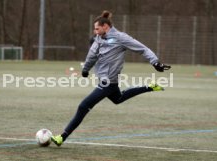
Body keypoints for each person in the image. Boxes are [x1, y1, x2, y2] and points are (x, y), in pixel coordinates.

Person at [51, 10, 171, 146]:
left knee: (83, 106)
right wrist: (85, 70)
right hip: (107, 80)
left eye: (97, 28)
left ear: (105, 27)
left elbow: (142, 49)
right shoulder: (99, 37)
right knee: (118, 99)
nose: (95, 31)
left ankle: (62, 137)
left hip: (107, 81)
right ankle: (150, 87)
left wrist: (155, 62)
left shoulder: (121, 38)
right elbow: (92, 55)